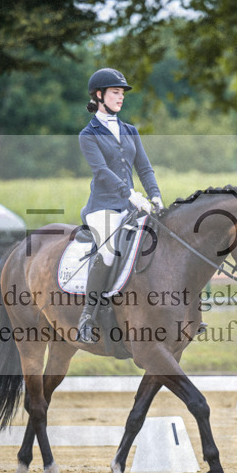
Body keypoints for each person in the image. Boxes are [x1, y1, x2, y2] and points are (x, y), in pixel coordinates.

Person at [76, 68, 164, 344]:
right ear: (99, 95)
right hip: (103, 207)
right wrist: (131, 195)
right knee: (110, 252)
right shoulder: (88, 135)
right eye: (115, 92)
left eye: (122, 93)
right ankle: (87, 317)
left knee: (161, 244)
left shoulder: (130, 130)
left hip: (132, 206)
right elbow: (101, 172)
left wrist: (156, 195)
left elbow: (145, 168)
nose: (120, 97)